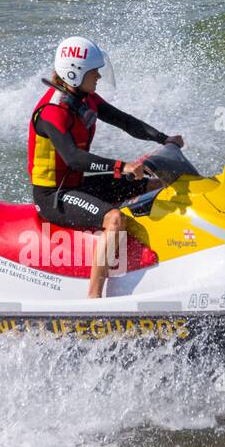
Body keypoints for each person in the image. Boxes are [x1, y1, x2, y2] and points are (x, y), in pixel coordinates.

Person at [28, 36, 184, 298]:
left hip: (77, 185)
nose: (99, 76)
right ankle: (94, 297)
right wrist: (121, 166)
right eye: (94, 72)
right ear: (74, 74)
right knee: (114, 219)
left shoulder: (85, 99)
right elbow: (74, 158)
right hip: (54, 196)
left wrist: (163, 138)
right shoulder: (52, 112)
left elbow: (125, 121)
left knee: (156, 183)